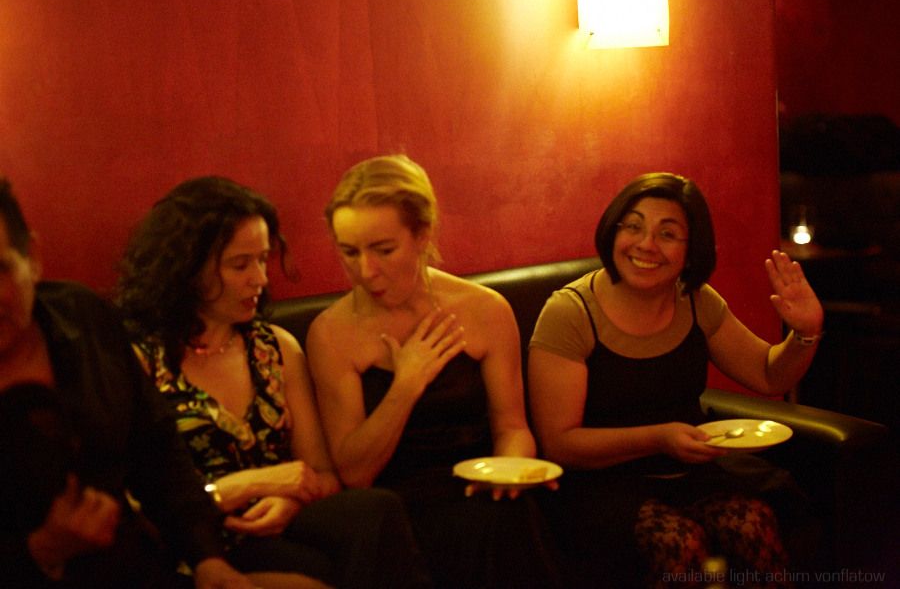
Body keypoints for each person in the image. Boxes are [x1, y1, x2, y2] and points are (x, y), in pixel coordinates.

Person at [115, 176, 431, 589]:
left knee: (375, 511)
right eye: (240, 265)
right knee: (316, 568)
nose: (260, 278)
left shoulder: (275, 349)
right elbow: (132, 506)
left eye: (263, 259)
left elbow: (323, 474)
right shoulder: (138, 361)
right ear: (188, 269)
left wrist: (289, 499)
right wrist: (247, 485)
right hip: (195, 542)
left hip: (281, 524)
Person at [528, 172, 824, 588]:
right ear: (613, 231)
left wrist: (805, 332)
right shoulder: (570, 312)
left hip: (686, 472)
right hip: (597, 483)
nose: (646, 244)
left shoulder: (696, 300)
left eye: (667, 234)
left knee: (752, 523)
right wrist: (660, 437)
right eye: (633, 226)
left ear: (691, 250)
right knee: (679, 542)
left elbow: (768, 373)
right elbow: (560, 443)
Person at [306, 154, 563, 589]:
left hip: (479, 489)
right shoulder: (330, 333)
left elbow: (512, 427)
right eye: (349, 252)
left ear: (422, 235)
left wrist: (511, 471)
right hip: (394, 511)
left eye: (384, 250)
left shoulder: (485, 310)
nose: (365, 271)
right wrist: (406, 384)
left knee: (508, 514)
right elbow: (355, 474)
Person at [0, 178, 254, 588]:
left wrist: (208, 559)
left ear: (31, 256)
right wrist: (41, 551)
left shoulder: (84, 317)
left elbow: (157, 452)